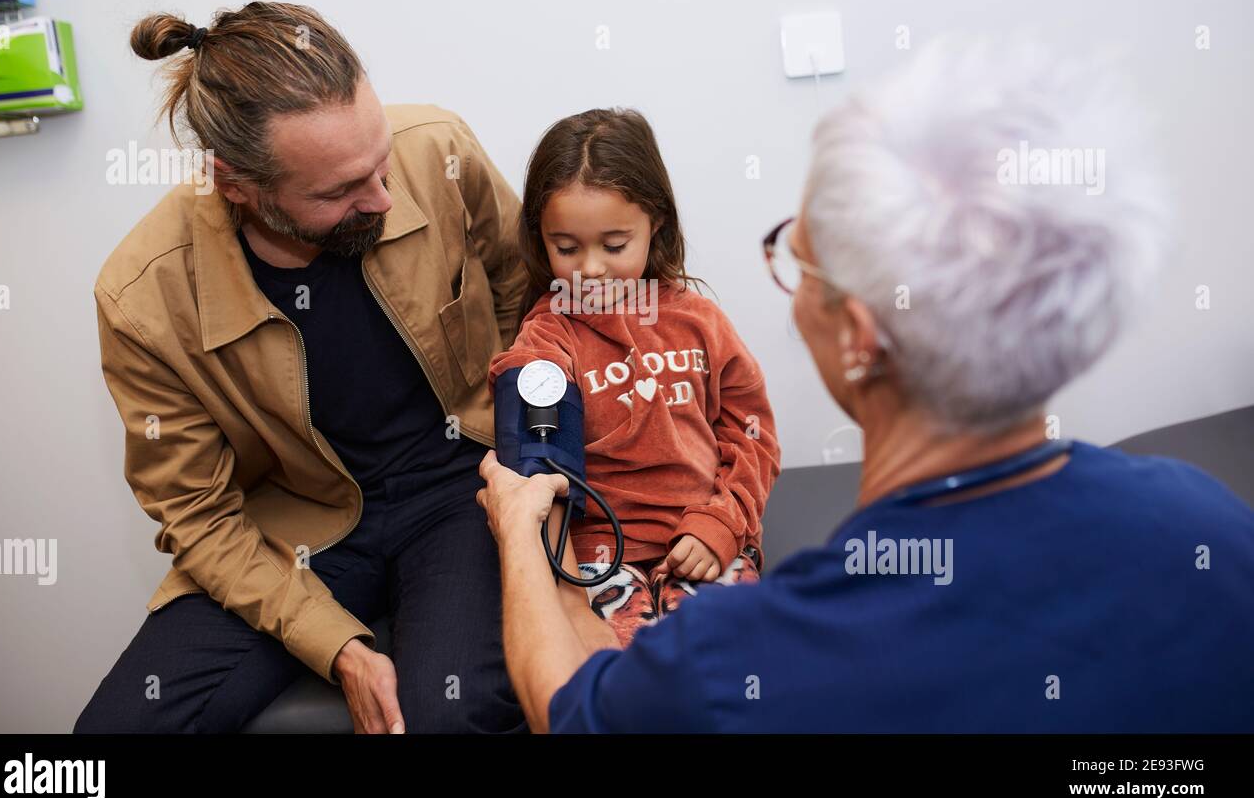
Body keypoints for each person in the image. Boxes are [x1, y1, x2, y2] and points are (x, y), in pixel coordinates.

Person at [476, 37, 1254, 732]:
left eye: (798, 258)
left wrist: (520, 533)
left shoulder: (735, 661)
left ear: (857, 335)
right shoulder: (1211, 527)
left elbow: (571, 711)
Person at [75, 1, 528, 733]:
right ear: (237, 187)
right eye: (339, 192)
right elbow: (198, 513)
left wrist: (521, 456)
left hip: (458, 490)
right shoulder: (142, 295)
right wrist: (337, 644)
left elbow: (526, 294)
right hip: (294, 530)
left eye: (378, 162)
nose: (382, 197)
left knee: (452, 712)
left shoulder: (436, 148)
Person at [486, 108, 781, 649]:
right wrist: (521, 380)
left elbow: (751, 436)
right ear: (540, 238)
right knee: (619, 673)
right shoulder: (549, 337)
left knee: (734, 659)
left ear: (656, 224)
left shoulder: (700, 322)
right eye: (566, 247)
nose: (590, 268)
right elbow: (536, 457)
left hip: (706, 535)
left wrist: (721, 523)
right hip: (599, 554)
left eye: (614, 245)